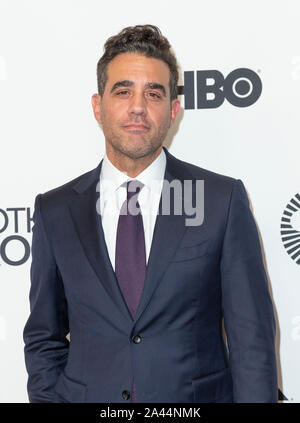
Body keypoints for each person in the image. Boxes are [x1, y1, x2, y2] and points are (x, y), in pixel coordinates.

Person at [23, 24, 278, 403]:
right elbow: (44, 337)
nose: (138, 106)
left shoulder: (221, 201)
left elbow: (252, 341)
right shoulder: (55, 210)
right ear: (98, 106)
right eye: (123, 91)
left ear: (173, 110)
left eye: (154, 94)